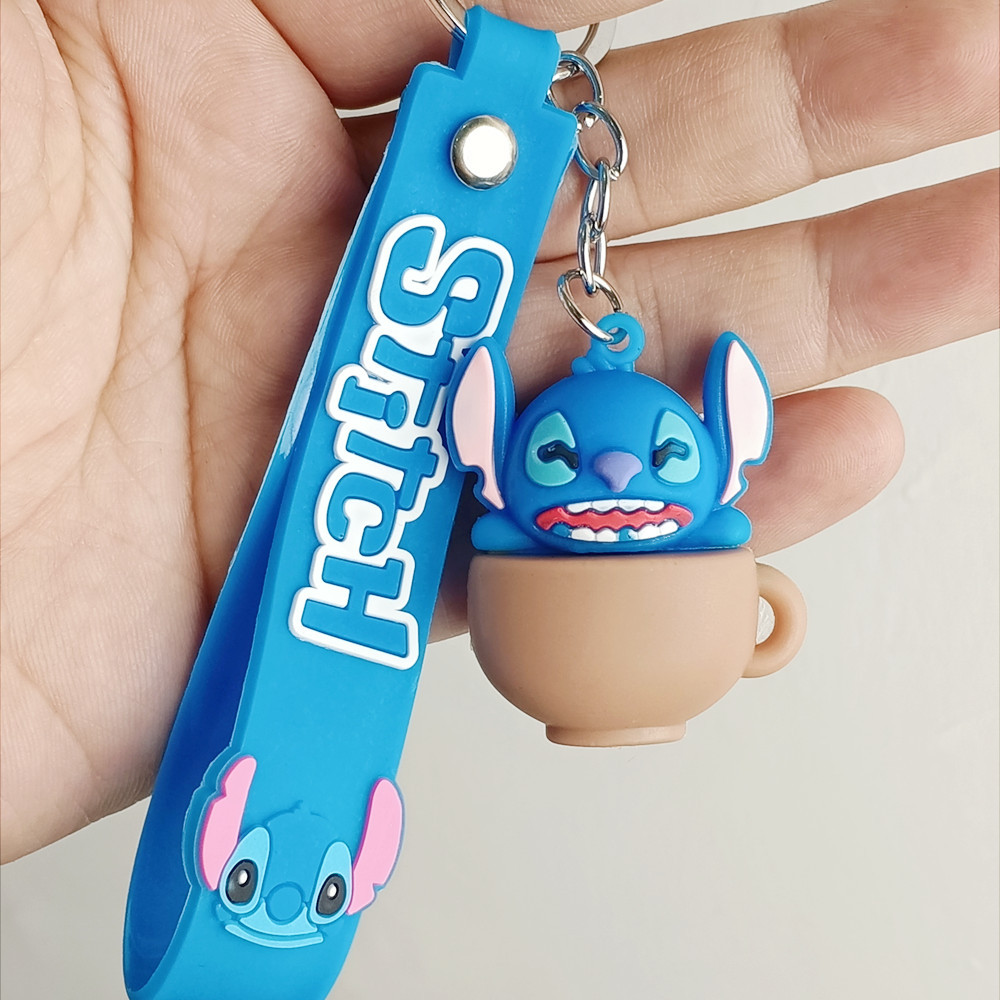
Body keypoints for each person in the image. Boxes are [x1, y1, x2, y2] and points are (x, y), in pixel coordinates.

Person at [1, 0, 997, 865]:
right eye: (558, 458)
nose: (618, 472)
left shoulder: (648, 531)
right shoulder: (533, 519)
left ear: (727, 457)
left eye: (664, 459)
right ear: (489, 457)